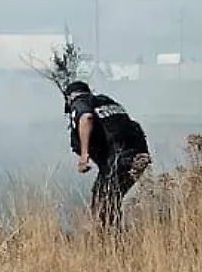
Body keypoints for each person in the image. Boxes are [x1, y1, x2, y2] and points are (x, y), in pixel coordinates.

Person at [63, 80, 151, 230]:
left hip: (119, 159)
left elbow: (86, 118)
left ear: (70, 97)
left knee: (102, 203)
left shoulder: (80, 102)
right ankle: (114, 238)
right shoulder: (106, 102)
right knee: (109, 200)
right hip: (138, 157)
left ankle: (111, 243)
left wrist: (84, 155)